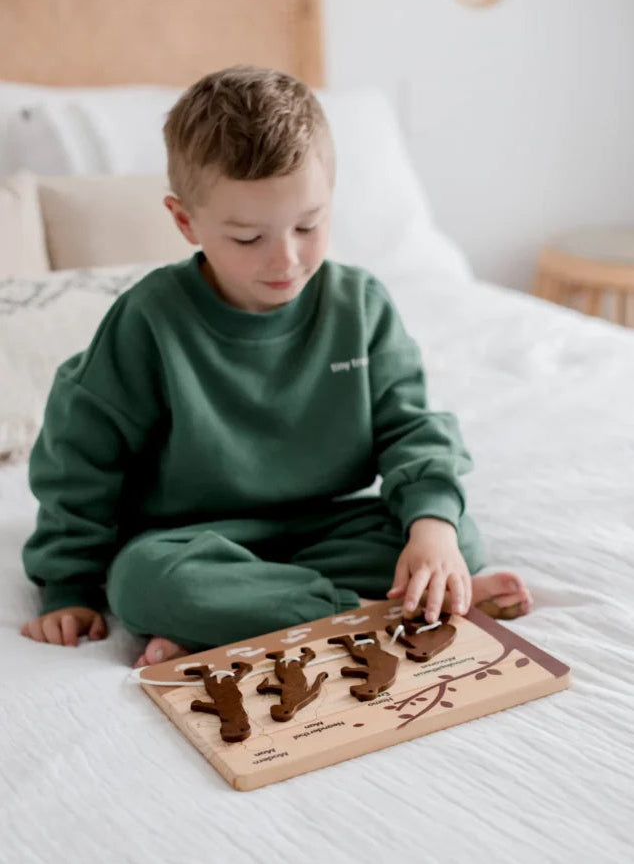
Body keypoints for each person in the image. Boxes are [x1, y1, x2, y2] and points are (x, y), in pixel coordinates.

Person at [20, 66, 533, 669]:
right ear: (186, 222)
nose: (286, 259)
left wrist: (432, 531)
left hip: (326, 528)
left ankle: (237, 624)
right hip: (193, 542)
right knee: (139, 583)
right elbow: (81, 456)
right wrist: (69, 587)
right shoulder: (149, 320)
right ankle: (365, 613)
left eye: (308, 225)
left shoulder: (359, 304)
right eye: (246, 238)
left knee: (454, 536)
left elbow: (411, 429)